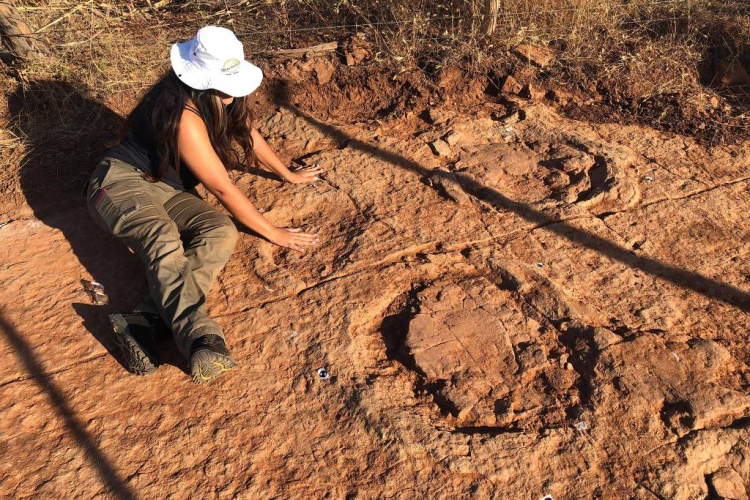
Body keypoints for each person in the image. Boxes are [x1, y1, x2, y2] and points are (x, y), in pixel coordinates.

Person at [86, 26, 321, 384]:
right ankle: (200, 339)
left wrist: (286, 173)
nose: (231, 91)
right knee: (161, 237)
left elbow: (246, 132)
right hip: (120, 183)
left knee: (221, 230)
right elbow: (222, 189)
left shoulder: (222, 97)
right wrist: (274, 233)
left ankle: (144, 321)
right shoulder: (182, 113)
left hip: (168, 188)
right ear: (200, 80)